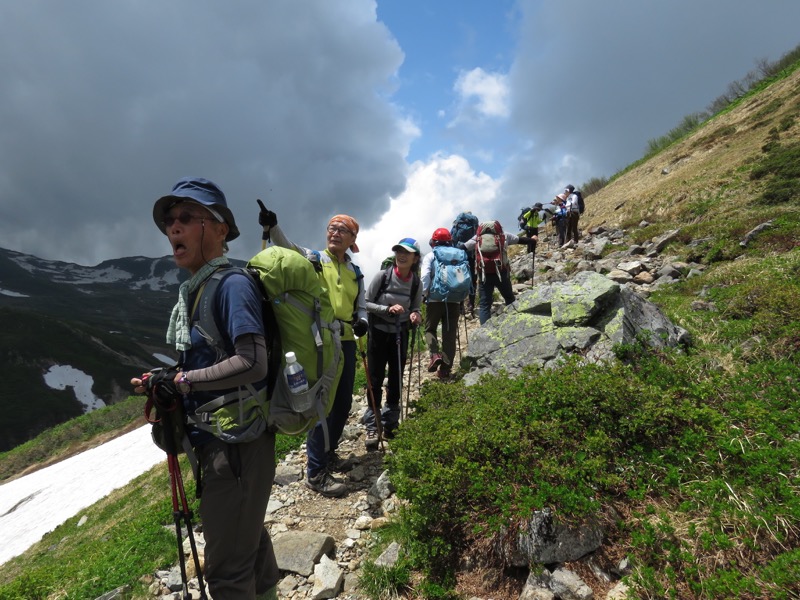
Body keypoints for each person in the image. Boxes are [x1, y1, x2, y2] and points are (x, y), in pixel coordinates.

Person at [132, 177, 279, 600]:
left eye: (185, 217)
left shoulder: (230, 285)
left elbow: (253, 361)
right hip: (226, 440)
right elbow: (209, 357)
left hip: (234, 443)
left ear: (218, 227)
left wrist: (185, 380)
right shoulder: (197, 289)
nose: (172, 227)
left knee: (228, 575)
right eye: (168, 221)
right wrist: (167, 382)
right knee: (246, 542)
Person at [258, 206, 368, 498]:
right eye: (332, 228)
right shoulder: (316, 259)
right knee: (322, 404)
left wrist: (363, 320)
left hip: (345, 339)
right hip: (320, 339)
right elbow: (288, 248)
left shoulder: (355, 271)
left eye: (342, 229)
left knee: (342, 403)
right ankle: (317, 471)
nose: (334, 232)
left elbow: (362, 305)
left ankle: (329, 454)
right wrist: (273, 226)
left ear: (352, 238)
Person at [363, 238, 423, 449]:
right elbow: (366, 303)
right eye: (398, 251)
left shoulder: (416, 282)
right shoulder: (383, 276)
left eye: (407, 252)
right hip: (378, 334)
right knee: (376, 379)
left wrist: (416, 315)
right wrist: (387, 310)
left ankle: (390, 424)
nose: (401, 255)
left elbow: (416, 307)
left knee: (396, 378)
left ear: (415, 258)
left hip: (400, 333)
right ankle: (373, 424)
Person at [462, 221, 535, 325]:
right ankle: (514, 324)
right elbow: (521, 240)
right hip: (502, 273)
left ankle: (484, 332)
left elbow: (463, 247)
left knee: (484, 305)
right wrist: (533, 240)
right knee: (509, 298)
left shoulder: (477, 238)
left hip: (484, 274)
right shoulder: (504, 236)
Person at [420, 228, 465, 379]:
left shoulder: (431, 256)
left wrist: (423, 295)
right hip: (454, 300)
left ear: (433, 242)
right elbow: (461, 278)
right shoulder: (459, 254)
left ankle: (434, 354)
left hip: (435, 299)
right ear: (450, 240)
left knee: (430, 329)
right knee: (450, 335)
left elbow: (425, 275)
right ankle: (445, 370)